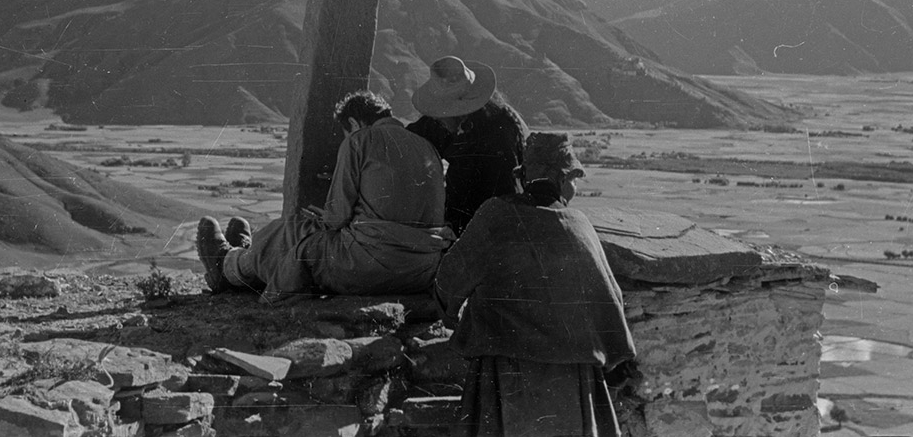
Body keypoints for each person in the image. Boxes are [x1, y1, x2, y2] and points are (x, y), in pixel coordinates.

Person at [434, 132, 637, 437]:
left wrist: (450, 316)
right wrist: (614, 359)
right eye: (575, 179)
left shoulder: (495, 215)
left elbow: (448, 281)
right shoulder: (579, 226)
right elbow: (609, 300)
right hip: (571, 386)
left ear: (526, 177)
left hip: (503, 378)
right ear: (563, 178)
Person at [196, 90, 454, 303]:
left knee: (294, 230)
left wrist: (326, 217)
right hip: (421, 270)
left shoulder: (360, 140)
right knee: (307, 240)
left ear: (353, 124)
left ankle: (229, 267)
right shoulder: (424, 145)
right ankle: (240, 263)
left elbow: (336, 219)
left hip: (370, 267)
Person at [408, 55, 529, 235]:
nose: (438, 119)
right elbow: (409, 137)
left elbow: (505, 196)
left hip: (491, 228)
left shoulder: (499, 133)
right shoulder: (443, 122)